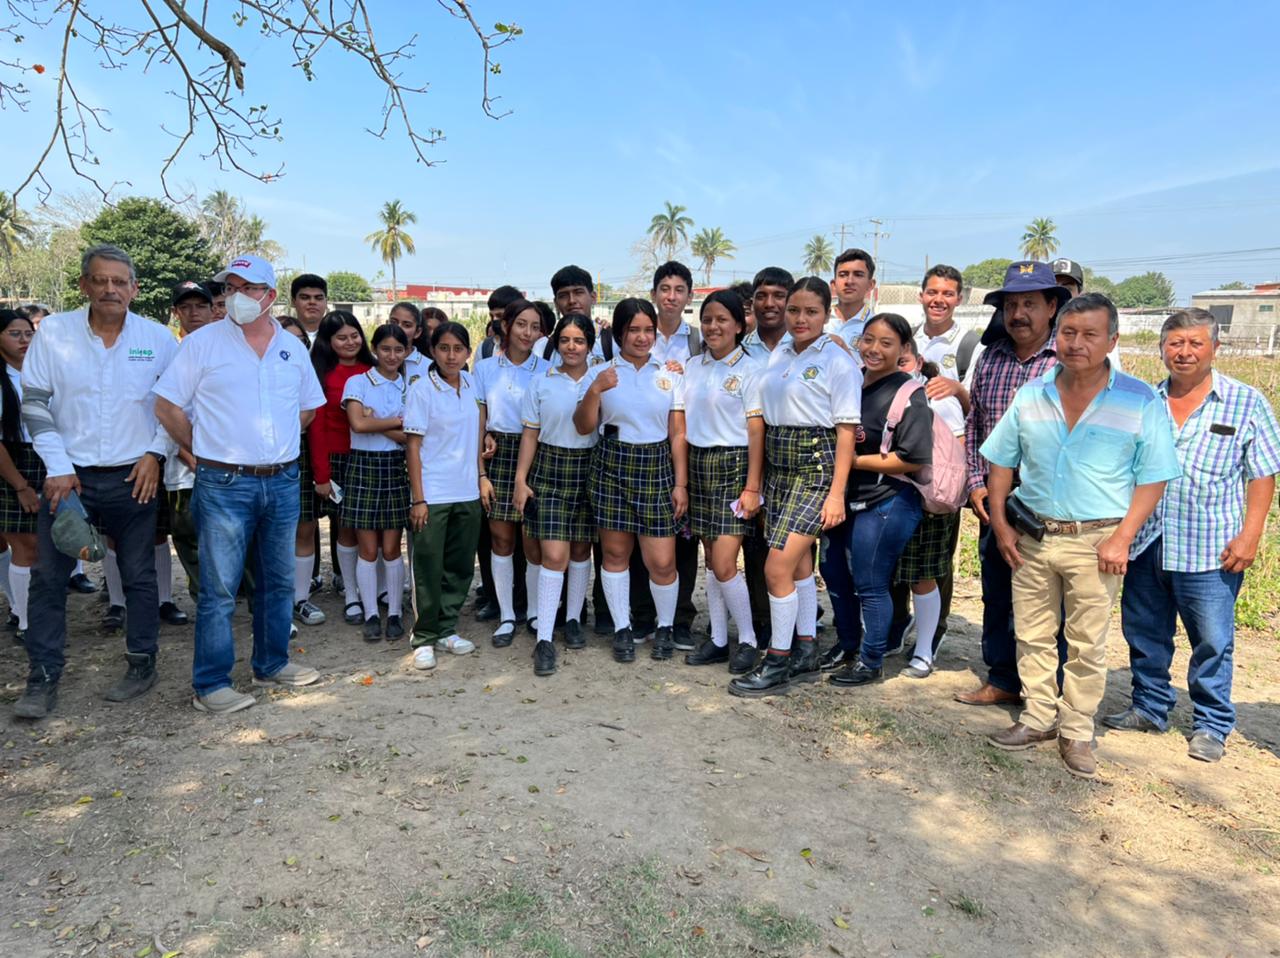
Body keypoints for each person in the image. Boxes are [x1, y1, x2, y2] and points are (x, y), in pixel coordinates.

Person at [981, 293, 1179, 778]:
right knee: (1032, 633)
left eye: (1090, 334)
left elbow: (1154, 476)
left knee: (1087, 641)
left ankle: (1076, 730)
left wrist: (1123, 538)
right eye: (1068, 333)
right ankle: (1037, 717)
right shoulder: (1032, 395)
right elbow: (1001, 462)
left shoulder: (1139, 400)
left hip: (1097, 542)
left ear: (1112, 340)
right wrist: (1001, 525)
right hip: (1033, 536)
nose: (1077, 343)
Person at [153, 253, 324, 714]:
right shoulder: (202, 344)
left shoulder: (291, 348)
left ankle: (272, 663)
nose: (235, 296)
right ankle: (211, 684)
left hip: (283, 480)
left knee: (278, 580)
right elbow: (166, 406)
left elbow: (307, 408)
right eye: (229, 288)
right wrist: (200, 449)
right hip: (224, 483)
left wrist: (276, 444)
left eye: (246, 288)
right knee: (220, 588)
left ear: (269, 295)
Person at [1106, 309, 1280, 763]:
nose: (1184, 352)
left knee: (1212, 640)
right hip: (1147, 539)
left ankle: (1211, 723)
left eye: (1195, 343)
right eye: (1175, 343)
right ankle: (1149, 706)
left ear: (1214, 348)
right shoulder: (1144, 401)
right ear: (1162, 349)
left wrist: (1251, 535)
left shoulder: (1245, 402)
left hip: (1210, 546)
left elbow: (1262, 474)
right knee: (1144, 630)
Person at [15, 244, 177, 719]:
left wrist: (156, 454)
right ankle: (43, 676)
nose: (110, 289)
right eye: (100, 280)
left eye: (119, 281)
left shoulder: (157, 338)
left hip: (135, 476)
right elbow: (35, 404)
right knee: (49, 578)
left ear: (134, 288)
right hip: (69, 479)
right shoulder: (55, 334)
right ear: (84, 284)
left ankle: (142, 662)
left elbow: (174, 405)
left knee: (139, 575)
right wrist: (57, 466)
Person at [729, 277, 860, 698]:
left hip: (814, 468)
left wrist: (836, 494)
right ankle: (805, 647)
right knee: (800, 565)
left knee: (776, 568)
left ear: (827, 313)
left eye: (811, 312)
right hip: (779, 467)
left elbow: (845, 432)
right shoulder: (780, 353)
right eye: (795, 311)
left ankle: (777, 660)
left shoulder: (838, 360)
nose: (801, 319)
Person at [956, 261, 1070, 708]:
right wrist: (975, 483)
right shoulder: (991, 357)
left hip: (1052, 499)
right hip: (996, 497)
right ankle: (1003, 677)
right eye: (1011, 305)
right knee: (998, 593)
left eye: (1029, 304)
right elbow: (974, 425)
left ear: (1052, 307)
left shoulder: (1068, 358)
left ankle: (1047, 688)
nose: (1018, 314)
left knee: (1051, 598)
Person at [574, 298, 688, 663]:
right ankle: (622, 628)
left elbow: (677, 434)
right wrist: (595, 389)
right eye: (633, 330)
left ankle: (665, 627)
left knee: (662, 561)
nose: (641, 337)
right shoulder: (601, 373)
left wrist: (680, 483)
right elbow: (583, 426)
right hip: (612, 463)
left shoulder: (670, 374)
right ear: (619, 332)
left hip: (656, 466)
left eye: (648, 330)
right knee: (614, 554)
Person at [820, 314, 930, 687]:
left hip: (886, 500)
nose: (874, 349)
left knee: (869, 582)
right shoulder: (851, 381)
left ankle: (872, 660)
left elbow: (913, 457)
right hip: (842, 499)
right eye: (868, 339)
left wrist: (853, 461)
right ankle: (847, 644)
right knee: (834, 572)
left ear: (903, 349)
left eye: (886, 343)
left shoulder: (908, 394)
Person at [880, 265, 977, 668]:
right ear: (920, 295)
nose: (939, 300)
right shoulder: (908, 336)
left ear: (959, 299)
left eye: (948, 293)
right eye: (932, 292)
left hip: (941, 469)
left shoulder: (971, 344)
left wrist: (957, 389)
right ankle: (898, 622)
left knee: (934, 562)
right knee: (895, 554)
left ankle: (932, 632)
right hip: (898, 465)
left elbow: (979, 411)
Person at [681, 291, 764, 675]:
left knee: (725, 561)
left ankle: (747, 639)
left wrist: (752, 486)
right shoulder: (692, 366)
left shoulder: (751, 369)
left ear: (739, 325)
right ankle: (717, 638)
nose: (713, 327)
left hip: (735, 466)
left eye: (722, 320)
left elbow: (756, 431)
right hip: (698, 464)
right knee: (712, 560)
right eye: (707, 319)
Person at [513, 314, 599, 676]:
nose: (571, 347)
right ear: (556, 344)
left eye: (579, 340)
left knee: (580, 550)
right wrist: (521, 479)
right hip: (549, 469)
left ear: (590, 344)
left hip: (591, 467)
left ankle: (574, 619)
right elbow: (530, 434)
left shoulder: (603, 378)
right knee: (554, 555)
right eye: (565, 340)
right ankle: (544, 638)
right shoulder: (541, 382)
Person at [404, 321, 483, 670]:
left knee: (460, 565)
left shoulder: (471, 383)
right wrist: (419, 498)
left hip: (467, 491)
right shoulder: (422, 389)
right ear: (433, 351)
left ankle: (447, 628)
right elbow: (413, 446)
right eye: (444, 348)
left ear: (468, 352)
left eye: (458, 349)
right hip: (433, 493)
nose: (451, 356)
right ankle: (424, 636)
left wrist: (481, 475)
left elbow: (476, 433)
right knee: (428, 567)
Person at [476, 298, 552, 645]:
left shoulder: (547, 369)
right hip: (498, 454)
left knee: (532, 540)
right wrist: (481, 472)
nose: (527, 333)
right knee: (501, 539)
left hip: (537, 453)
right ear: (506, 325)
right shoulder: (485, 368)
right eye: (521, 324)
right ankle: (506, 614)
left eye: (535, 327)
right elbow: (479, 420)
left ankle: (534, 611)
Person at [893, 337, 966, 679]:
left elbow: (957, 454)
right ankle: (893, 631)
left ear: (918, 362)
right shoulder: (874, 392)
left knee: (923, 575)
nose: (898, 369)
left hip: (927, 498)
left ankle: (925, 648)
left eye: (903, 361)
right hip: (888, 495)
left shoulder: (938, 398)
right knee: (891, 573)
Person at [342, 323, 412, 640]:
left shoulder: (410, 387)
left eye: (399, 349)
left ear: (407, 351)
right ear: (374, 349)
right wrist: (393, 422)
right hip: (363, 466)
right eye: (385, 349)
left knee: (392, 548)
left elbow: (410, 435)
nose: (392, 355)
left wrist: (376, 422)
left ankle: (394, 613)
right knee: (368, 549)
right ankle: (371, 613)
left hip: (396, 467)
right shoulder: (358, 382)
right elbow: (357, 424)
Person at [308, 311, 374, 627]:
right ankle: (350, 593)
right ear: (328, 341)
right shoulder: (322, 375)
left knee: (373, 529)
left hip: (372, 457)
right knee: (346, 528)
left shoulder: (375, 369)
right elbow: (317, 428)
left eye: (354, 335)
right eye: (341, 337)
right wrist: (322, 475)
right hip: (338, 459)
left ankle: (375, 589)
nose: (350, 342)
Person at [290, 274, 333, 614]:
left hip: (320, 441)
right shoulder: (277, 336)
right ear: (294, 301)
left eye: (318, 297)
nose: (312, 303)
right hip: (273, 449)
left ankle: (303, 594)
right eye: (305, 297)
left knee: (312, 521)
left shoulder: (335, 339)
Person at [0, 310, 39, 644]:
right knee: (24, 546)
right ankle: (26, 622)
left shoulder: (40, 372)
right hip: (11, 465)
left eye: (28, 333)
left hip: (43, 459)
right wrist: (20, 485)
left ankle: (31, 614)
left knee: (41, 545)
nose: (24, 340)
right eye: (15, 334)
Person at [827, 249, 876, 341]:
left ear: (870, 285)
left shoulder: (875, 326)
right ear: (833, 284)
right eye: (843, 275)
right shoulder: (819, 320)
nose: (849, 281)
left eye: (858, 275)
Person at [389, 301, 430, 382]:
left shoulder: (429, 367)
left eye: (407, 325)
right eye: (393, 322)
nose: (398, 328)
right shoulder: (375, 361)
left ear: (417, 332)